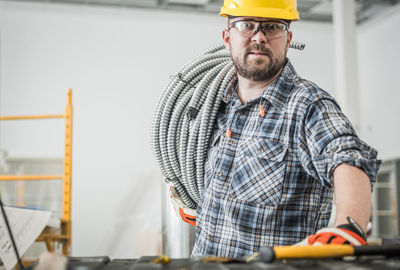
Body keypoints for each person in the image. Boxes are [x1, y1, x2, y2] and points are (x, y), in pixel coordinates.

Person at [190, 0, 381, 258]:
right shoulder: (216, 105)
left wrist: (348, 226)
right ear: (227, 37)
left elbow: (347, 157)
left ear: (288, 39)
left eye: (272, 26)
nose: (259, 37)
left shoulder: (308, 104)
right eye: (246, 25)